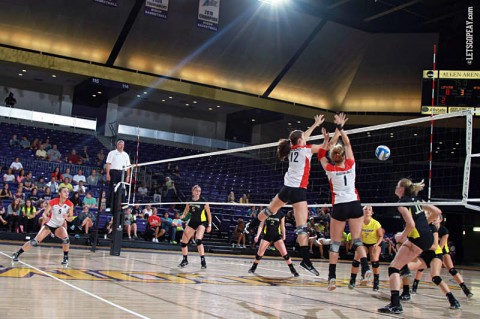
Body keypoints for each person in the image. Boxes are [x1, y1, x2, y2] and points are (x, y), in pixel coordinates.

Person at [246, 114, 325, 276]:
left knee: (269, 211)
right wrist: (331, 137)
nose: (305, 139)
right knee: (302, 227)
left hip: (286, 188)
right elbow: (326, 148)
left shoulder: (293, 149)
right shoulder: (306, 149)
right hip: (298, 191)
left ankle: (251, 225)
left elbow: (302, 138)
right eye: (303, 138)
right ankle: (305, 260)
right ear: (301, 141)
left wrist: (315, 124)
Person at [317, 113, 371, 290]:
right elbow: (347, 144)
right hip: (355, 205)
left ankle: (332, 278)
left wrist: (327, 140)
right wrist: (340, 128)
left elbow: (321, 154)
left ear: (334, 157)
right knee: (357, 240)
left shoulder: (330, 169)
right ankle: (365, 268)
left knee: (335, 243)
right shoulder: (351, 164)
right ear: (343, 156)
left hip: (339, 206)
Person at [377, 178, 441, 314]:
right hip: (427, 237)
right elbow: (437, 212)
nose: (395, 187)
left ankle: (396, 305)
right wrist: (424, 224)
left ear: (402, 189)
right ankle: (405, 269)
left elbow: (411, 224)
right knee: (400, 248)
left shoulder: (401, 204)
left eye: (397, 185)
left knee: (393, 267)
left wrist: (402, 235)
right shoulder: (416, 200)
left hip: (417, 238)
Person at [412, 215, 473, 298]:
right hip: (430, 251)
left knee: (452, 270)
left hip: (442, 251)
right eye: (432, 217)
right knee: (421, 267)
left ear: (440, 220)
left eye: (435, 218)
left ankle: (465, 289)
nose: (433, 219)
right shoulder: (428, 228)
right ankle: (414, 286)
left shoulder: (444, 230)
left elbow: (440, 246)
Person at [406, 218, 461, 310]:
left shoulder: (433, 228)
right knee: (403, 268)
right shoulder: (416, 227)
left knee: (435, 277)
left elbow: (435, 246)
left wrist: (419, 245)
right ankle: (405, 292)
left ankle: (452, 299)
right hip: (423, 255)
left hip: (435, 254)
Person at [11, 187, 74, 265]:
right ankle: (17, 254)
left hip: (59, 226)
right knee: (34, 242)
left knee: (66, 239)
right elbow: (44, 213)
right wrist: (45, 217)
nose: (67, 193)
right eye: (65, 191)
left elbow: (71, 218)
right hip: (49, 225)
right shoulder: (53, 202)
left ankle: (65, 258)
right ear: (59, 193)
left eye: (68, 192)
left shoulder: (70, 204)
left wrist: (67, 218)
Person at [248, 209, 299, 277]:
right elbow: (261, 225)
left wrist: (284, 235)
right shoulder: (266, 213)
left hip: (277, 237)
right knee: (259, 254)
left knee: (285, 254)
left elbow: (282, 226)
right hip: (266, 236)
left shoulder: (281, 214)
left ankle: (293, 270)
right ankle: (253, 268)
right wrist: (257, 236)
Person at [348, 205, 383, 291]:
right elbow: (358, 236)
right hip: (363, 243)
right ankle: (352, 280)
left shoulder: (376, 223)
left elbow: (381, 236)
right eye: (365, 209)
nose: (367, 211)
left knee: (374, 259)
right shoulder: (359, 222)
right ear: (362, 211)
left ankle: (376, 281)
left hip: (374, 243)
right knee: (356, 259)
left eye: (369, 209)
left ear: (372, 213)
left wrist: (376, 244)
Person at [178, 185, 212, 269]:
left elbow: (209, 214)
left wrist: (210, 225)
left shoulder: (203, 201)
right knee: (183, 242)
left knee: (198, 239)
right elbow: (186, 211)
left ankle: (203, 260)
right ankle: (185, 260)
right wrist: (182, 216)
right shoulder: (189, 200)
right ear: (192, 191)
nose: (197, 192)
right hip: (192, 222)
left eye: (199, 191)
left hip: (202, 222)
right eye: (196, 191)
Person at [105, 140, 131, 212]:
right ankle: (109, 206)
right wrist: (108, 174)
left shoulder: (126, 154)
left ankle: (122, 206)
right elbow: (108, 164)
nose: (122, 146)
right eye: (120, 144)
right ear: (117, 145)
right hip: (114, 172)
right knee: (112, 189)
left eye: (123, 145)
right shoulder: (112, 153)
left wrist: (128, 176)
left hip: (123, 172)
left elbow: (128, 166)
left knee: (122, 189)